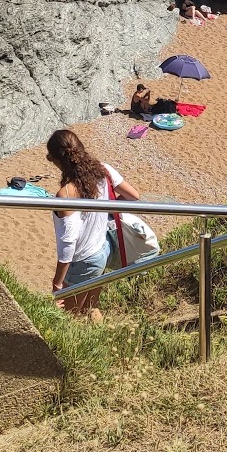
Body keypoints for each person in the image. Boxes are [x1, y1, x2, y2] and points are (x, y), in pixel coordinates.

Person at [46, 128, 140, 318]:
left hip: (83, 260)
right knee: (91, 307)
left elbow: (68, 243)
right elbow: (133, 196)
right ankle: (102, 338)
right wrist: (105, 209)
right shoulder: (103, 170)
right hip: (102, 249)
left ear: (57, 161)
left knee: (69, 318)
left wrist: (58, 283)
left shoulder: (65, 194)